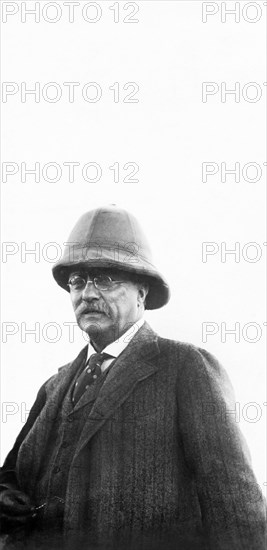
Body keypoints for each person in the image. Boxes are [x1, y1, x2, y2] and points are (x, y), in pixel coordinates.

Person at [0, 205, 266, 550]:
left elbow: (234, 505)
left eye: (105, 279)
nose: (88, 293)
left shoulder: (186, 368)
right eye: (78, 281)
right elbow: (10, 476)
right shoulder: (54, 387)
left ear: (142, 292)